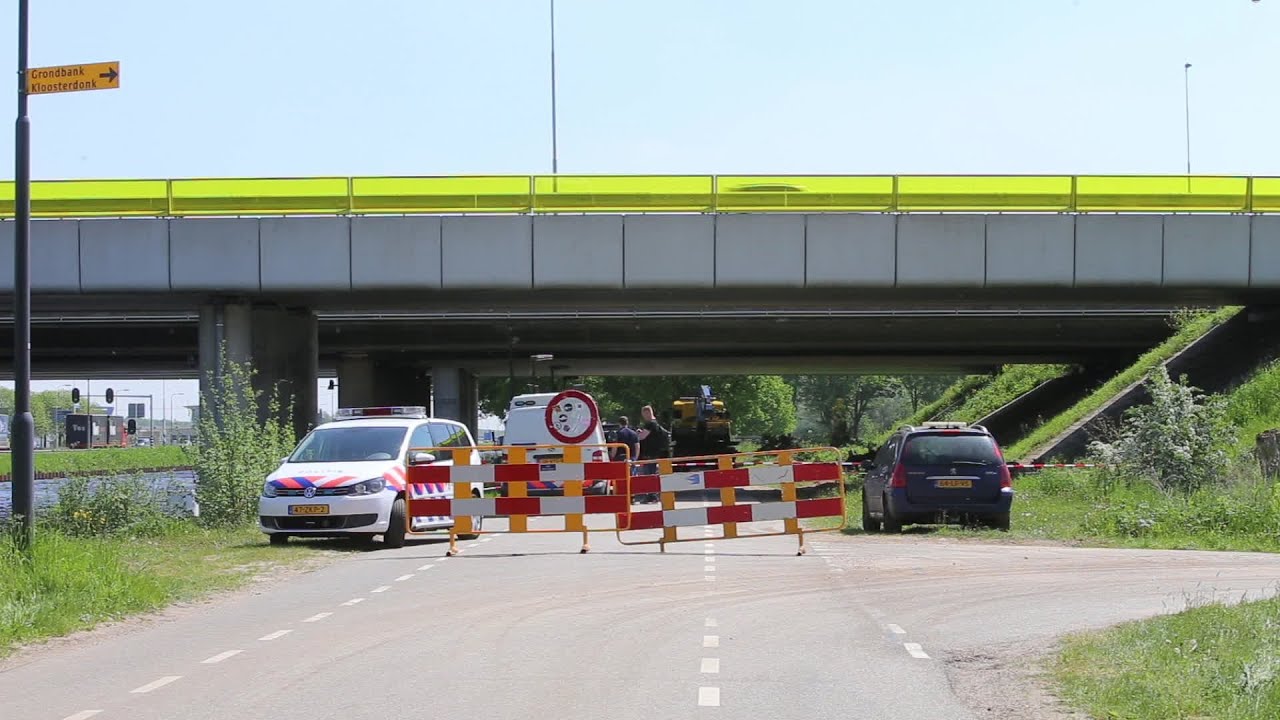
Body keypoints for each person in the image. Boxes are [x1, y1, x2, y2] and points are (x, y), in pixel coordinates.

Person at [634, 405, 670, 504]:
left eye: (643, 414)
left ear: (647, 413)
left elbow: (642, 437)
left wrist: (636, 435)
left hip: (649, 454)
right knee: (651, 474)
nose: (643, 417)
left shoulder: (650, 424)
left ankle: (651, 496)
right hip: (654, 453)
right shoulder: (656, 423)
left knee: (649, 475)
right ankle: (652, 495)